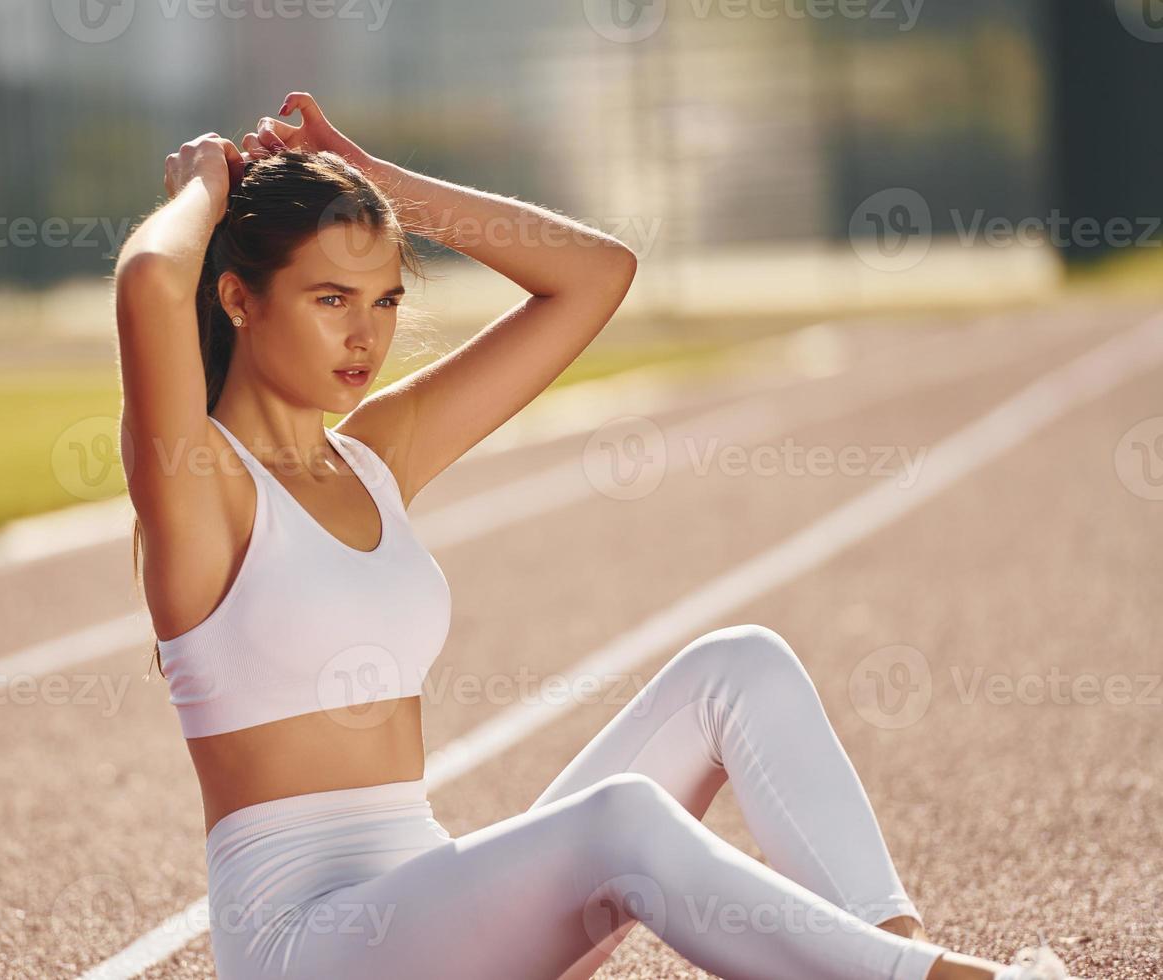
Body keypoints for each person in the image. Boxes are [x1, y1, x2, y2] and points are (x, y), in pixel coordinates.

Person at [112, 91, 1080, 980]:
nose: (366, 337)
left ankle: (891, 951)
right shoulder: (199, 485)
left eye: (386, 301)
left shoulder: (372, 458)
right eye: (331, 300)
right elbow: (152, 280)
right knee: (620, 824)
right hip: (306, 947)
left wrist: (373, 179)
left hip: (430, 915)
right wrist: (205, 182)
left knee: (740, 668)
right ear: (238, 297)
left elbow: (595, 277)